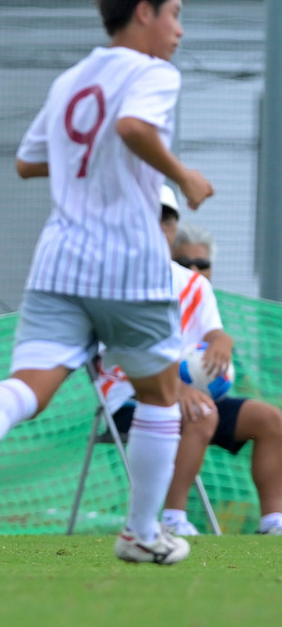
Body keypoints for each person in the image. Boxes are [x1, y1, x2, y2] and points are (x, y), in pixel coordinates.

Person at [0, 0, 214, 565]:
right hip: (129, 260)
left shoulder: (73, 79)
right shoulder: (154, 73)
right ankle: (142, 533)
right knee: (162, 394)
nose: (179, 29)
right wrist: (183, 176)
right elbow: (135, 129)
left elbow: (28, 160)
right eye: (173, 14)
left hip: (59, 258)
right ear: (143, 12)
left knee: (30, 383)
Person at [98, 196, 282, 536]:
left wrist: (223, 341)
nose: (159, 226)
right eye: (151, 218)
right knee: (203, 413)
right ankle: (171, 518)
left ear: (172, 227)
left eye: (167, 219)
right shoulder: (112, 281)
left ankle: (273, 523)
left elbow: (214, 332)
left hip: (192, 394)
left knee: (270, 420)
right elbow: (112, 355)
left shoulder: (195, 285)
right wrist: (171, 386)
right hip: (129, 398)